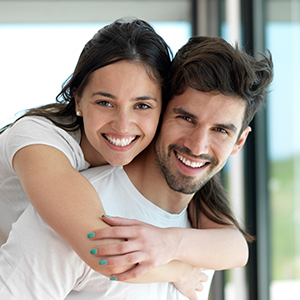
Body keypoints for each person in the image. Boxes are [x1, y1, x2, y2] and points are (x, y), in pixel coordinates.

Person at [0, 35, 273, 299]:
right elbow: (106, 254)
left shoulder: (202, 240)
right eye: (186, 118)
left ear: (239, 142)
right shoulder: (65, 205)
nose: (198, 146)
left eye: (221, 130)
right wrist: (180, 270)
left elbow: (237, 249)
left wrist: (173, 246)